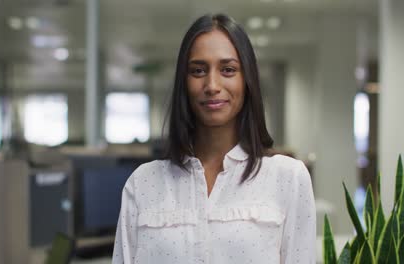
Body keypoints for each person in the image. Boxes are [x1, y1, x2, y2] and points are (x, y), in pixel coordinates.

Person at [112, 13, 316, 264]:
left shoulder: (288, 178)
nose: (212, 84)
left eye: (228, 70)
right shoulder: (143, 183)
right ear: (184, 84)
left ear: (247, 80)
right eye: (198, 70)